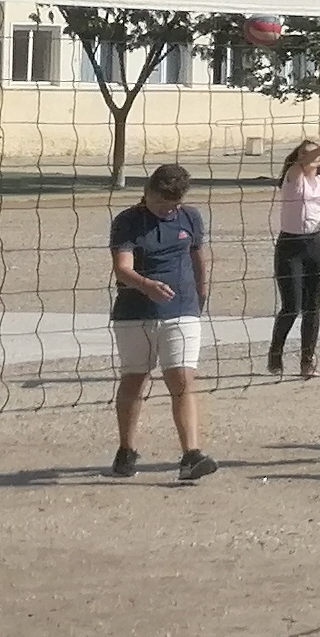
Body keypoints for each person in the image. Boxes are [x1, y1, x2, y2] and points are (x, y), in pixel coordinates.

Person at [105, 160, 217, 484]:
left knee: (182, 378)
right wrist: (146, 286)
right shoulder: (127, 221)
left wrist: (201, 294)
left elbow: (198, 257)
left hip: (182, 310)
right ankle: (126, 450)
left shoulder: (190, 217)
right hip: (135, 312)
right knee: (134, 379)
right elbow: (122, 268)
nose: (169, 210)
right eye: (162, 204)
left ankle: (191, 455)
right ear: (148, 192)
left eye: (174, 204)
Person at [265, 139, 320, 378]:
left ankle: (307, 359)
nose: (312, 157)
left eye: (315, 154)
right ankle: (276, 351)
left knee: (312, 307)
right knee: (291, 306)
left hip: (316, 244)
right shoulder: (293, 177)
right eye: (305, 153)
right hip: (291, 246)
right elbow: (302, 162)